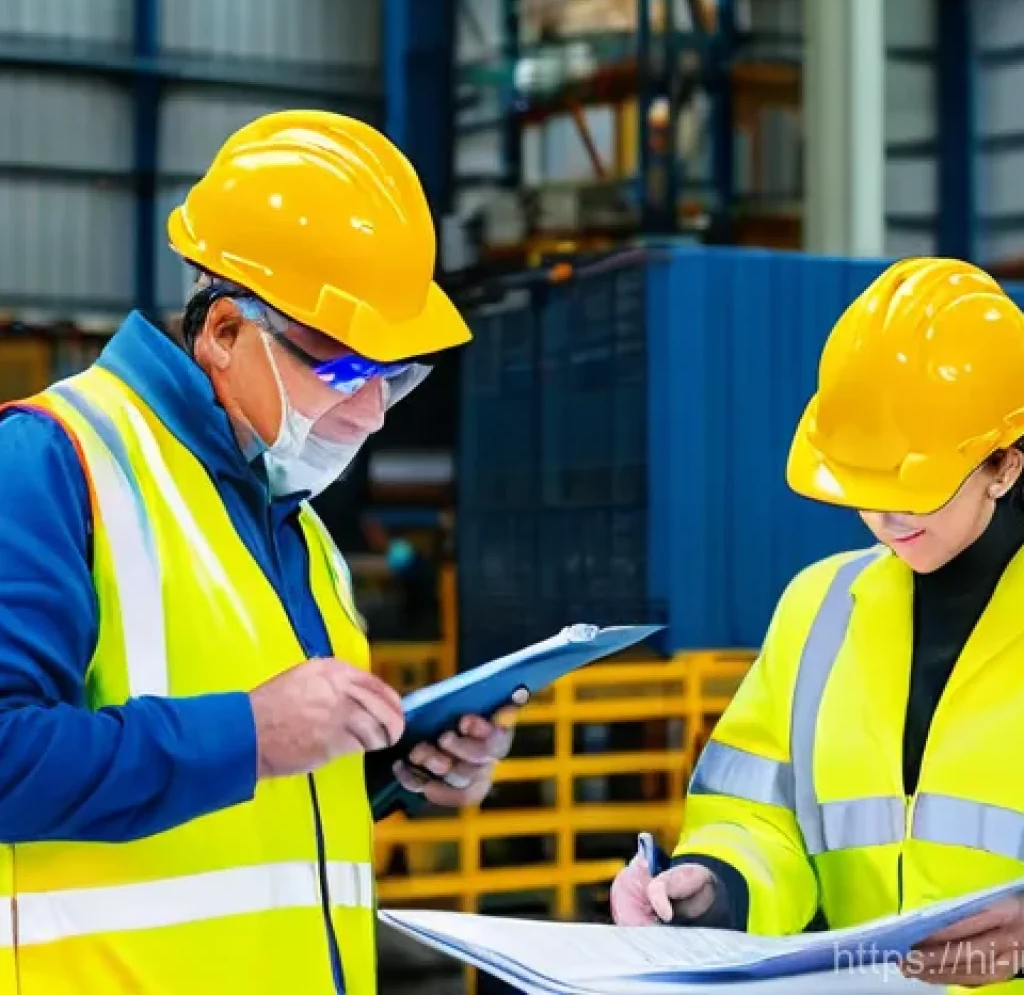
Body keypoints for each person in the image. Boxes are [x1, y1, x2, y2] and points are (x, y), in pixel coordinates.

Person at [0, 111, 523, 995]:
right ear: (225, 332)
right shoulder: (52, 462)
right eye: (345, 371)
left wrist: (398, 774)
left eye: (393, 376)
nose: (373, 413)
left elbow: (270, 819)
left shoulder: (300, 526)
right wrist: (247, 734)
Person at [610, 257, 1024, 990]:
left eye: (914, 484)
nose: (885, 516)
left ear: (1005, 466)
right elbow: (759, 817)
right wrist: (716, 885)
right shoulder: (819, 608)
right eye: (864, 482)